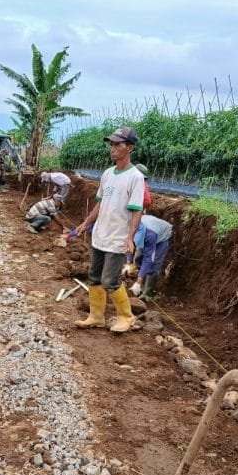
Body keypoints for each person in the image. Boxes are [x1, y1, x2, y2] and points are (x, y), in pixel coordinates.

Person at [74, 127, 145, 333]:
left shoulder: (135, 177)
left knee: (110, 280)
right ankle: (96, 317)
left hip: (118, 238)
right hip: (100, 235)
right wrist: (85, 223)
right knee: (94, 277)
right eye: (111, 144)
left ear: (129, 148)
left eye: (117, 145)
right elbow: (100, 203)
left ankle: (127, 317)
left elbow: (136, 210)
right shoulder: (107, 174)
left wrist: (130, 237)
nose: (112, 148)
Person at [130, 214, 173, 300]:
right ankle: (141, 286)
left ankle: (147, 294)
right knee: (138, 259)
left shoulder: (150, 236)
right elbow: (128, 246)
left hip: (163, 237)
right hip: (149, 230)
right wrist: (128, 263)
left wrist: (138, 282)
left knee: (154, 264)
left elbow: (148, 259)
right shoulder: (131, 228)